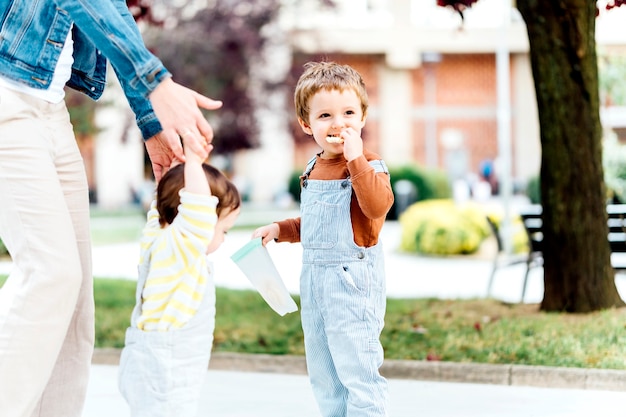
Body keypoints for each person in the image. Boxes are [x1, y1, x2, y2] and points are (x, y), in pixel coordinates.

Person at [0, 1, 222, 416]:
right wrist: (155, 84)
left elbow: (110, 10)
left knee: (74, 304)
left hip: (49, 108)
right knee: (51, 274)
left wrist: (150, 121)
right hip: (6, 96)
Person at [253, 61, 394, 417]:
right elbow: (316, 223)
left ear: (362, 117)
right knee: (325, 373)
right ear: (306, 124)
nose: (338, 123)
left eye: (348, 112)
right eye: (325, 116)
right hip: (315, 283)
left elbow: (377, 207)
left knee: (357, 370)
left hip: (352, 283)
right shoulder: (313, 167)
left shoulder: (369, 164)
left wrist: (356, 159)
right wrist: (280, 230)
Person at [118, 133, 240, 417]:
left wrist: (175, 172)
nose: (222, 238)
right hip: (168, 369)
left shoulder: (159, 236)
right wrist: (193, 160)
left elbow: (161, 205)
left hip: (147, 363)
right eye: (222, 230)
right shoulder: (183, 245)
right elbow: (196, 209)